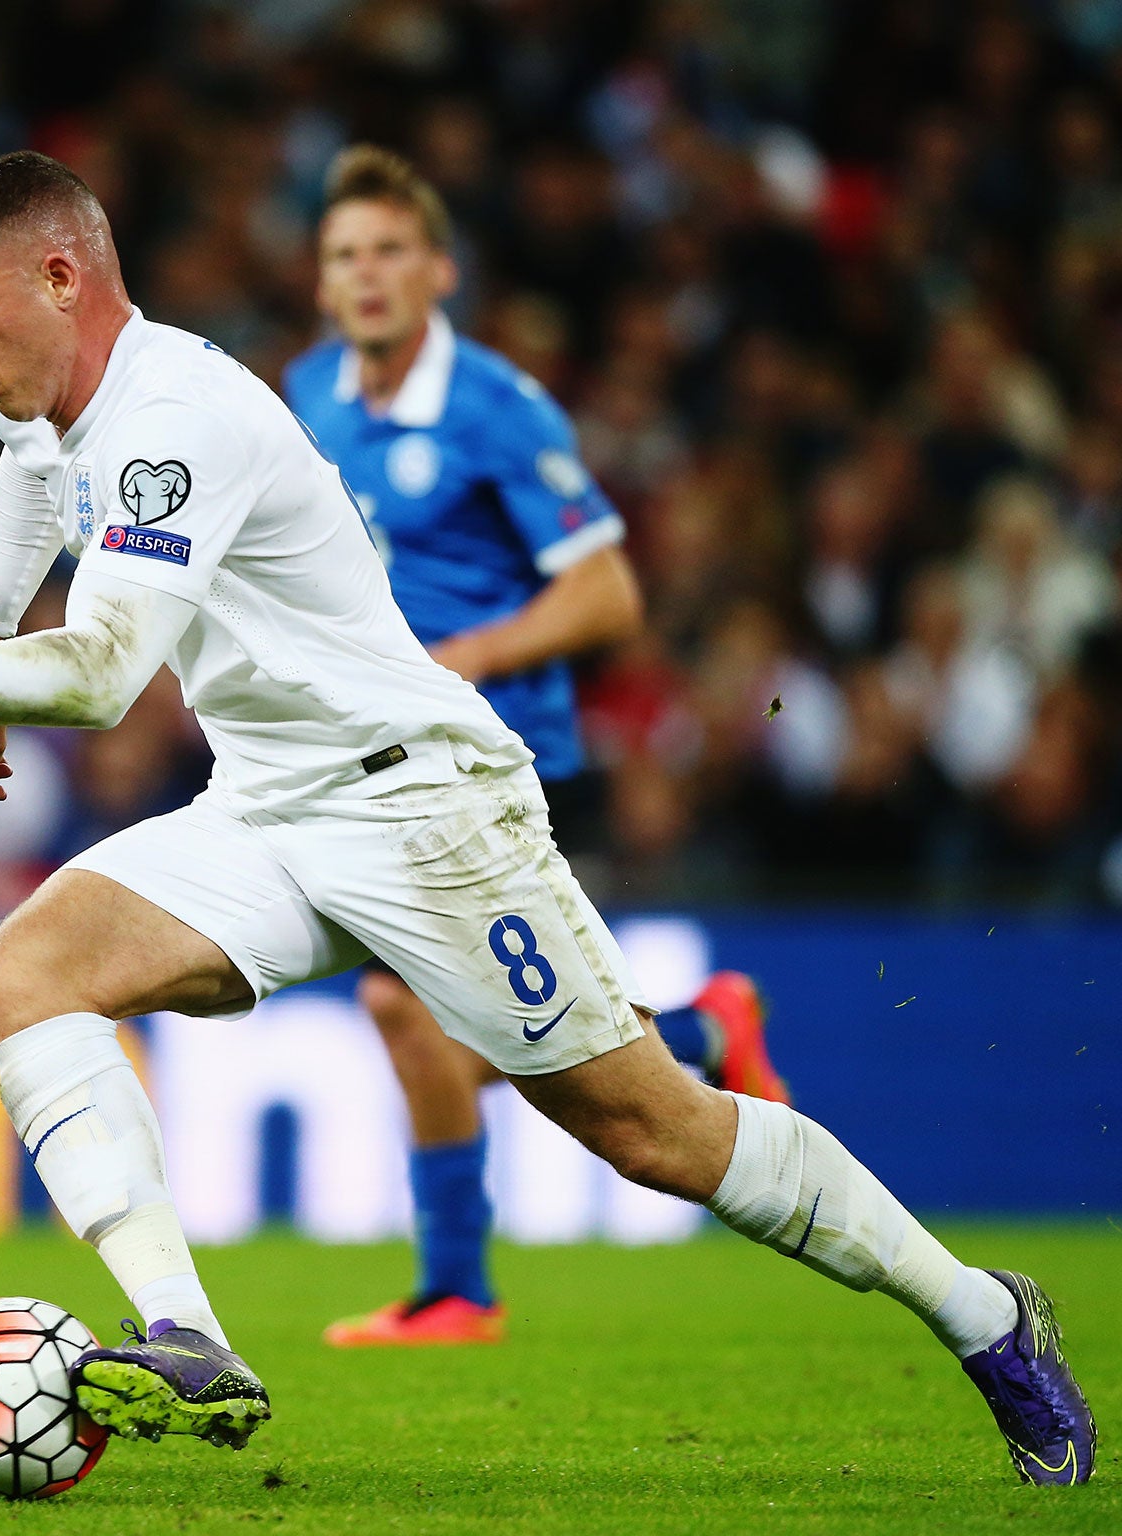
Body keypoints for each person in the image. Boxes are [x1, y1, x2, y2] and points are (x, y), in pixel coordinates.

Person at [0, 150, 1095, 1484]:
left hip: (423, 804)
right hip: (271, 807)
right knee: (24, 972)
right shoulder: (57, 399)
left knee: (653, 1130)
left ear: (63, 276)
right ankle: (187, 1334)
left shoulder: (179, 418)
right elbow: (36, 478)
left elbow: (105, 679)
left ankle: (987, 1318)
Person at [284, 145, 790, 1348]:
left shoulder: (494, 409)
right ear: (318, 282)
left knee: (419, 1010)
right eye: (342, 255)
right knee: (428, 1016)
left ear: (438, 272)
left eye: (388, 251)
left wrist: (475, 654)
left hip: (498, 752)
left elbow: (607, 593)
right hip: (373, 756)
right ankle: (700, 1035)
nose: (365, 275)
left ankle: (458, 1284)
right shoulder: (305, 393)